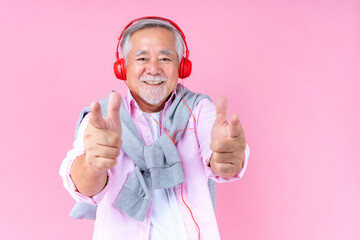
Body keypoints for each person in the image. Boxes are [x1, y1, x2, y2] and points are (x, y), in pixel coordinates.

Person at [60, 16, 250, 240]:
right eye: (142, 58)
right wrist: (93, 163)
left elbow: (221, 157)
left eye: (165, 59)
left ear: (181, 67)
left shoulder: (199, 110)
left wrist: (227, 155)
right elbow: (83, 186)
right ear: (123, 67)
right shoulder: (101, 117)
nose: (153, 69)